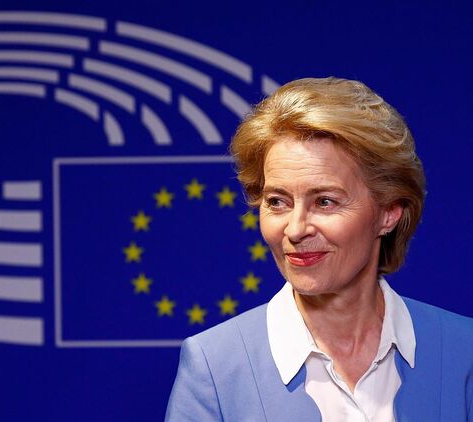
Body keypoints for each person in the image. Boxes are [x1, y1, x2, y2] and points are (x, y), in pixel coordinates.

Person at [165, 77, 473, 421]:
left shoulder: (465, 352)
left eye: (325, 201)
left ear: (389, 213)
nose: (296, 230)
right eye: (277, 201)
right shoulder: (214, 365)